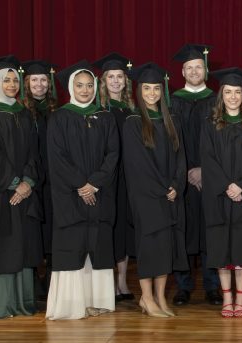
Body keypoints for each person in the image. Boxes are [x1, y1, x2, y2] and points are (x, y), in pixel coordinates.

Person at [44, 61, 119, 320]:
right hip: (70, 196)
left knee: (98, 245)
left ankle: (97, 302)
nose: (85, 90)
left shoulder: (106, 117)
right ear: (70, 87)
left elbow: (113, 154)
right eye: (80, 85)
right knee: (72, 245)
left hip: (100, 193)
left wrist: (95, 183)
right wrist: (81, 185)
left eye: (89, 85)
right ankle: (71, 305)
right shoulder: (59, 117)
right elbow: (57, 157)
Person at [0, 56, 43, 319]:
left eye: (15, 80)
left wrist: (28, 182)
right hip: (0, 196)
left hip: (24, 193)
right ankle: (2, 306)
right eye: (7, 80)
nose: (12, 84)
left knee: (24, 247)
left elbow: (33, 155)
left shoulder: (24, 114)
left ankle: (24, 303)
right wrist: (15, 184)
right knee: (4, 246)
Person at [123, 63, 188, 318]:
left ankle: (161, 297)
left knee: (166, 248)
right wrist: (163, 188)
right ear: (139, 91)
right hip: (146, 197)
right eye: (147, 88)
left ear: (163, 90)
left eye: (156, 88)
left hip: (170, 194)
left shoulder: (171, 120)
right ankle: (146, 298)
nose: (152, 93)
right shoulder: (133, 122)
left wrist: (176, 185)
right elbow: (138, 164)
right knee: (150, 247)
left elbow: (181, 157)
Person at [200, 68, 242, 318]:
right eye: (228, 92)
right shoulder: (210, 125)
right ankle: (226, 297)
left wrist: (241, 185)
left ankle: (241, 298)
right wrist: (227, 186)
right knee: (221, 249)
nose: (233, 97)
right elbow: (207, 159)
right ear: (221, 95)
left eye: (237, 92)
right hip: (218, 196)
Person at [169, 43, 222, 306]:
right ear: (182, 71)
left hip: (211, 176)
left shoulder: (217, 100)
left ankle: (213, 285)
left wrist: (204, 169)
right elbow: (171, 140)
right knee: (184, 229)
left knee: (210, 228)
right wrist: (187, 170)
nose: (194, 71)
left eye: (198, 67)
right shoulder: (174, 100)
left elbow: (222, 141)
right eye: (189, 68)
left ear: (206, 69)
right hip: (182, 177)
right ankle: (184, 285)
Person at [92, 52, 137, 303]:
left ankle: (122, 280)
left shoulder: (132, 109)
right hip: (106, 178)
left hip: (128, 177)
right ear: (104, 80)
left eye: (120, 76)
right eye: (111, 76)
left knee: (125, 227)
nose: (116, 81)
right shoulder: (98, 111)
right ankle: (107, 280)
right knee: (108, 225)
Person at [18, 59, 59, 299]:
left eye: (44, 80)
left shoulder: (57, 110)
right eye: (34, 80)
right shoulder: (20, 111)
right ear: (27, 83)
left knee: (52, 229)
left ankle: (52, 278)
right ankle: (33, 280)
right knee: (32, 230)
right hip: (31, 180)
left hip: (53, 181)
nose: (39, 84)